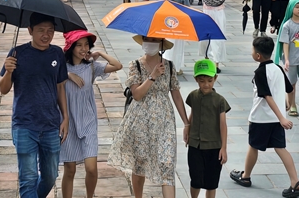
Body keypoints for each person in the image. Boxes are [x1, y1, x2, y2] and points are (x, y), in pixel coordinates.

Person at [109, 36, 189, 198]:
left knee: (167, 164)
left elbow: (176, 95)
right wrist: (152, 76)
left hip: (164, 120)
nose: (149, 43)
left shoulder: (170, 66)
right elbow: (137, 94)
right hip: (140, 120)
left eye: (154, 40)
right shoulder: (135, 65)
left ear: (161, 43)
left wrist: (186, 123)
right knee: (139, 164)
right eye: (147, 39)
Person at [0, 13, 69, 198]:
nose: (46, 35)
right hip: (24, 124)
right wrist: (8, 71)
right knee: (28, 178)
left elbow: (60, 86)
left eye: (50, 31)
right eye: (40, 30)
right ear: (30, 30)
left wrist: (65, 117)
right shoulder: (17, 53)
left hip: (50, 124)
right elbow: (4, 89)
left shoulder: (57, 54)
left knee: (50, 176)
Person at [229, 36, 299, 197]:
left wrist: (282, 117)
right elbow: (290, 89)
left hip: (261, 118)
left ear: (257, 56)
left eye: (252, 50)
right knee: (281, 149)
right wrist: (287, 106)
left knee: (253, 146)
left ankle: (246, 176)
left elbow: (267, 96)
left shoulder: (260, 72)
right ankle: (295, 182)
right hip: (276, 120)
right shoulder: (277, 68)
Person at [60, 31, 122, 198]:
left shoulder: (92, 66)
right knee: (70, 169)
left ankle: (90, 195)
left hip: (88, 120)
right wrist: (67, 75)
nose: (83, 48)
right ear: (71, 47)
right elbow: (49, 76)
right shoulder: (62, 67)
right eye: (79, 45)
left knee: (92, 168)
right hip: (68, 122)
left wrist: (99, 53)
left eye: (86, 44)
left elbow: (117, 66)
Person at [184, 59, 230, 198]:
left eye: (210, 80)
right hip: (195, 145)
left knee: (211, 182)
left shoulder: (219, 100)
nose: (206, 84)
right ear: (196, 79)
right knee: (195, 179)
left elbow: (223, 124)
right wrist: (187, 128)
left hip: (214, 146)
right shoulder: (193, 96)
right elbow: (193, 113)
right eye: (202, 80)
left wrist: (223, 148)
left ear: (215, 78)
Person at [158, 0, 190, 74]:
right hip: (178, 21)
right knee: (178, 45)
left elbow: (157, 7)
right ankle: (176, 67)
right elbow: (187, 8)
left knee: (166, 44)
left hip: (165, 22)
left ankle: (164, 66)